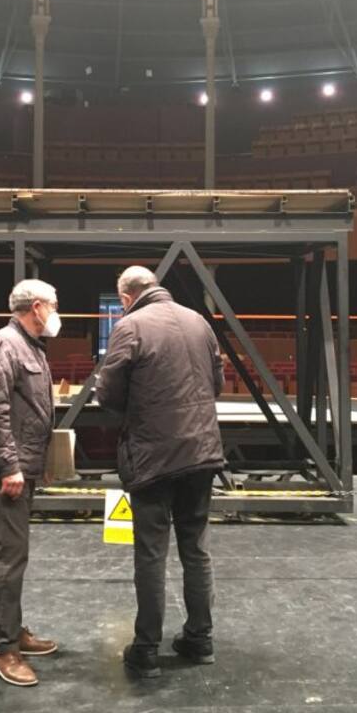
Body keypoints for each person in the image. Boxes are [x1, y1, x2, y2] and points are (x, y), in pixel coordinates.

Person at [96, 265, 226, 679]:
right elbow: (217, 385)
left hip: (153, 455)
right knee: (196, 547)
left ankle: (147, 649)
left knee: (152, 553)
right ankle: (200, 639)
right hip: (201, 453)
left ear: (126, 298)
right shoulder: (199, 321)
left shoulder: (130, 326)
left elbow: (108, 394)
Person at [0, 278, 61, 687]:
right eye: (54, 305)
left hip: (24, 463)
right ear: (37, 306)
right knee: (8, 556)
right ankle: (4, 648)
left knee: (10, 553)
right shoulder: (6, 344)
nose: (57, 312)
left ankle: (12, 629)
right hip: (6, 469)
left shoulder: (29, 345)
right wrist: (9, 466)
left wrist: (39, 462)